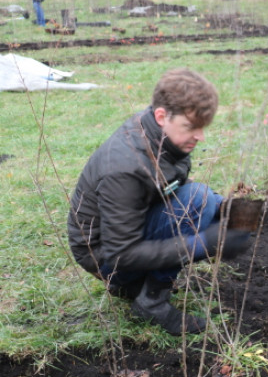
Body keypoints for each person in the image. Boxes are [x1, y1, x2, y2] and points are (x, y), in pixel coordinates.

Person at [67, 68, 252, 335]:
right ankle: (150, 302)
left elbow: (171, 185)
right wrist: (201, 244)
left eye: (203, 127)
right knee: (196, 203)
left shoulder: (162, 137)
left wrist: (231, 211)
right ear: (162, 116)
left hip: (129, 232)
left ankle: (138, 285)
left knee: (209, 205)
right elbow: (121, 253)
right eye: (191, 127)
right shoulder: (125, 167)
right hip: (107, 258)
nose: (201, 137)